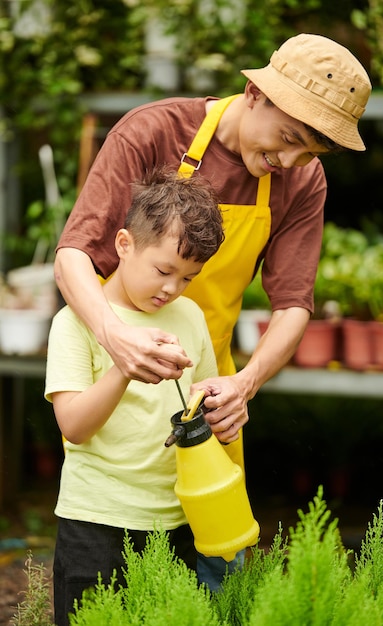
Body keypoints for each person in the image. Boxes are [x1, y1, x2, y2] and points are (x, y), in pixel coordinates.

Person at [54, 33, 372, 472]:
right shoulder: (152, 132)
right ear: (254, 93)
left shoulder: (303, 180)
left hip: (206, 394)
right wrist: (116, 339)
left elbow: (293, 305)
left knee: (208, 530)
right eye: (287, 137)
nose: (291, 160)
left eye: (309, 153)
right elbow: (73, 255)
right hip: (117, 373)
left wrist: (245, 384)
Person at [45, 167, 228, 625]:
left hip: (176, 522)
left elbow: (203, 405)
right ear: (124, 245)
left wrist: (225, 409)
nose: (172, 289)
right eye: (164, 270)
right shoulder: (76, 322)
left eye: (188, 278)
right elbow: (74, 426)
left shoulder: (189, 316)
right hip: (96, 521)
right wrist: (125, 367)